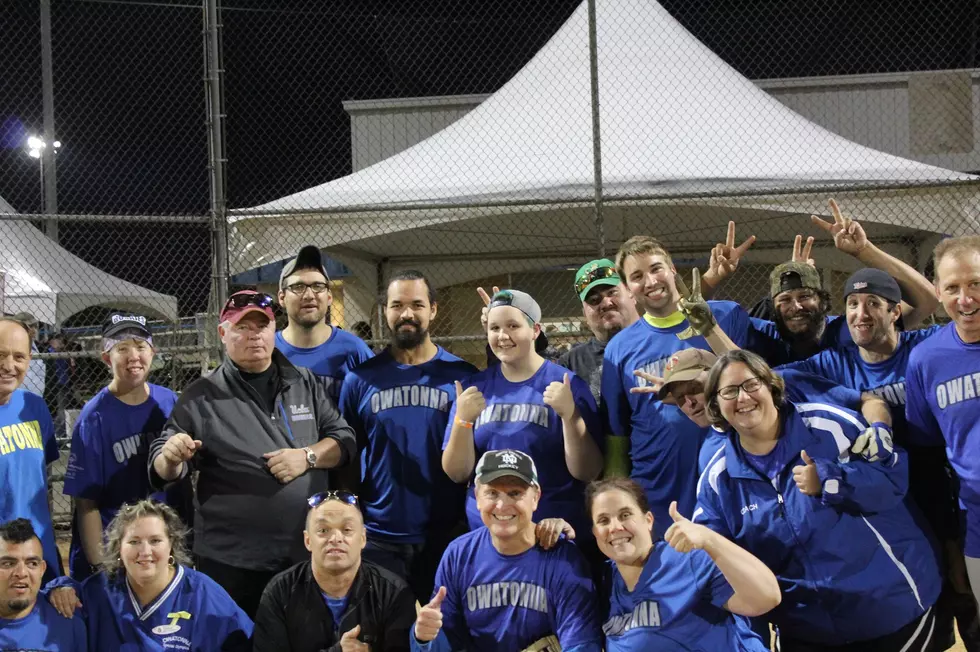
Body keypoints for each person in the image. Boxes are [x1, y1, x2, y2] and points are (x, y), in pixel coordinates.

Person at [781, 268, 978, 649]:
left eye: (873, 303)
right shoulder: (832, 365)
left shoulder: (927, 346)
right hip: (882, 499)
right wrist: (705, 367)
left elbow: (941, 308)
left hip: (938, 485)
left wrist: (862, 249)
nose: (860, 313)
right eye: (852, 304)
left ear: (895, 311)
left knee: (962, 587)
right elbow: (759, 378)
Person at [695, 349, 941, 650]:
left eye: (751, 384)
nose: (743, 398)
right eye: (729, 391)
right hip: (806, 629)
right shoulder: (717, 479)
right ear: (717, 407)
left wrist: (832, 480)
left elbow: (892, 480)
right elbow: (720, 560)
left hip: (889, 610)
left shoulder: (829, 426)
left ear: (772, 387)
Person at [148, 290, 356, 618]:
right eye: (242, 327)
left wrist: (307, 456)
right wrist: (172, 456)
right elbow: (162, 465)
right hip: (232, 562)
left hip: (301, 555)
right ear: (223, 333)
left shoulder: (303, 382)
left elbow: (343, 440)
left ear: (274, 330)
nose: (254, 334)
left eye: (262, 325)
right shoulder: (201, 396)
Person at [601, 234, 764, 535]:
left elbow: (764, 377)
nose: (650, 281)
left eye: (655, 268)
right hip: (660, 491)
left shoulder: (726, 315)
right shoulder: (619, 349)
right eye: (636, 276)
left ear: (673, 269)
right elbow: (617, 438)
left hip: (733, 478)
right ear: (627, 288)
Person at [340, 270, 477, 601]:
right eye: (396, 305)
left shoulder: (462, 376)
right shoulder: (360, 380)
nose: (406, 314)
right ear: (384, 312)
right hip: (381, 534)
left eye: (416, 304)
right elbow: (346, 456)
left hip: (447, 532)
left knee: (443, 633)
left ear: (433, 310)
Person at [443, 289, 603, 542]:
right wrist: (463, 420)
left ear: (535, 330)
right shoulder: (474, 388)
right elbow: (457, 473)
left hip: (550, 533)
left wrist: (570, 416)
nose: (503, 336)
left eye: (513, 326)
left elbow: (588, 471)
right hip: (489, 535)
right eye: (494, 328)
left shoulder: (565, 384)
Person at [412, 449, 603, 652]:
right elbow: (443, 642)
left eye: (515, 493)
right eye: (492, 493)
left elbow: (582, 644)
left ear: (536, 497)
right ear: (477, 497)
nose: (502, 505)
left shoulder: (564, 558)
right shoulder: (458, 554)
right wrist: (423, 639)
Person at [63, 313, 191, 582]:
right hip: (119, 550)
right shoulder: (94, 417)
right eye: (122, 348)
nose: (134, 356)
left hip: (164, 545)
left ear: (153, 352)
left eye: (141, 346)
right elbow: (87, 504)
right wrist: (101, 567)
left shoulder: (169, 402)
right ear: (106, 357)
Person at [587, 478, 778, 651]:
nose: (615, 527)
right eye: (603, 520)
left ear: (648, 520)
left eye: (625, 515)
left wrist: (710, 539)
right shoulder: (603, 582)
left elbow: (767, 598)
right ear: (595, 532)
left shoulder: (685, 558)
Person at [747, 199, 938, 364]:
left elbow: (927, 301)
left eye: (805, 295)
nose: (796, 306)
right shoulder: (762, 335)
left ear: (822, 301)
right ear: (772, 308)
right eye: (785, 299)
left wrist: (864, 250)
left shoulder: (850, 329)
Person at [47, 500, 252, 651]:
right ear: (119, 548)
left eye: (155, 541)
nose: (145, 552)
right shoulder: (100, 589)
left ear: (171, 545)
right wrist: (60, 587)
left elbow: (245, 641)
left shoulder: (202, 593)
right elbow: (64, 597)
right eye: (134, 542)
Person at [906, 235, 980, 612]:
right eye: (953, 287)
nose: (965, 299)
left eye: (975, 283)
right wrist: (951, 540)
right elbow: (929, 451)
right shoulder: (926, 360)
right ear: (937, 291)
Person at [253, 490, 416, 651]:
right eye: (323, 530)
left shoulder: (394, 593)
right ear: (308, 540)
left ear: (362, 538)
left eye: (347, 530)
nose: (336, 538)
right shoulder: (280, 592)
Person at [560, 259, 639, 478]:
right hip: (598, 478)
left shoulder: (659, 342)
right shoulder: (571, 364)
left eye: (612, 292)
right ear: (585, 312)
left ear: (631, 293)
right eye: (594, 300)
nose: (605, 303)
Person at [0, 318, 61, 583]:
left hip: (39, 551)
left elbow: (41, 484)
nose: (8, 366)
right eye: (0, 355)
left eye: (18, 357)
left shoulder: (35, 408)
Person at [275, 245, 374, 402]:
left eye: (317, 286)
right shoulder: (267, 351)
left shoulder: (354, 349)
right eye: (298, 287)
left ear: (329, 297)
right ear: (282, 297)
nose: (309, 295)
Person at [0, 519, 86, 651]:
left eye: (32, 563)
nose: (21, 573)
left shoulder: (68, 621)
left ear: (42, 569)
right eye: (8, 563)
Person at [12, 312, 45, 398]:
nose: (34, 330)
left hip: (35, 398)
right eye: (30, 326)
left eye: (35, 326)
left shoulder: (34, 345)